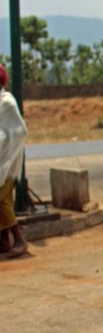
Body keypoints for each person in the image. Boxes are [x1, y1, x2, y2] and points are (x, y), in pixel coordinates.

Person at [0, 63, 29, 259]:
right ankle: (4, 242)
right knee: (5, 203)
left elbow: (19, 131)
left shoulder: (7, 102)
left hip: (6, 163)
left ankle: (19, 240)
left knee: (1, 203)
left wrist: (4, 143)